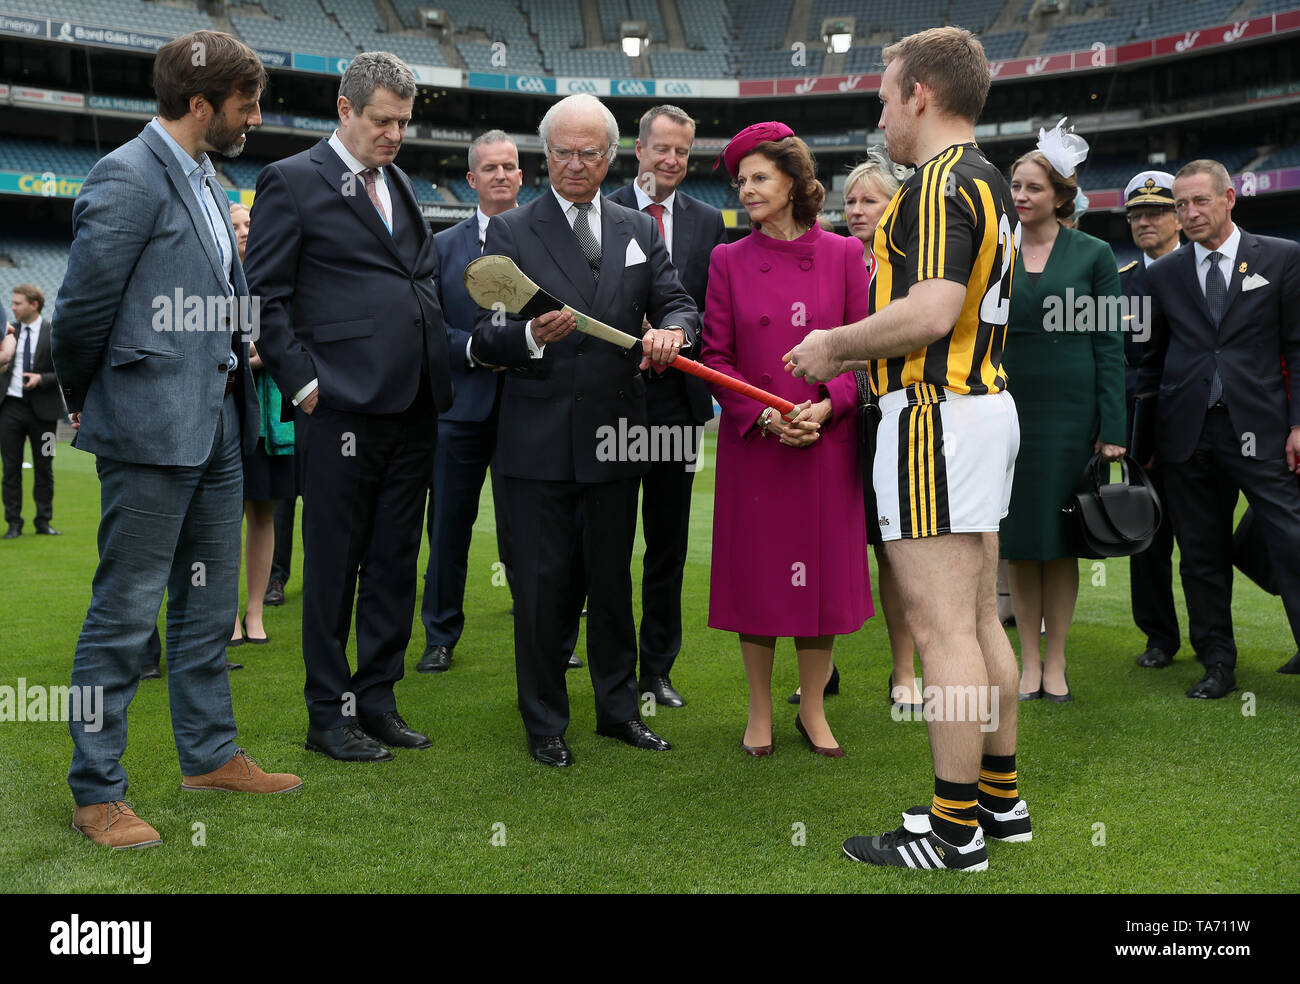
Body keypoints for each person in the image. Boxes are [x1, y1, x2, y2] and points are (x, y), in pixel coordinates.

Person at [52, 30, 301, 850]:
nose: (254, 118)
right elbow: (79, 315)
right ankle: (96, 793)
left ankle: (209, 756)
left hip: (217, 424)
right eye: (244, 105)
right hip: (151, 430)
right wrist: (93, 402)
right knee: (124, 614)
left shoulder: (203, 175)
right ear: (200, 105)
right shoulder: (125, 175)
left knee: (205, 608)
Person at [786, 26, 1027, 871]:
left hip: (933, 413)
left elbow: (928, 311)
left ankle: (954, 830)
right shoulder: (990, 179)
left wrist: (835, 345)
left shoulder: (933, 184)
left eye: (886, 95)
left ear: (921, 92)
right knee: (973, 617)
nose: (880, 112)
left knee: (939, 628)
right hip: (980, 406)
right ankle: (997, 800)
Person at [471, 93, 698, 768]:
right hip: (536, 443)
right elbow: (485, 335)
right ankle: (544, 722)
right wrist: (529, 338)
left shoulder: (638, 228)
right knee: (542, 591)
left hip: (618, 438)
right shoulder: (511, 230)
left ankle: (618, 711)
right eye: (563, 153)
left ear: (610, 156)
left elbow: (677, 299)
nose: (576, 164)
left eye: (589, 152)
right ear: (546, 157)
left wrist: (674, 330)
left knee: (611, 583)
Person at [245, 51, 454, 760]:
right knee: (333, 568)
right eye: (382, 120)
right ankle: (328, 718)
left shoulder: (400, 182)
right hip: (338, 412)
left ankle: (379, 700)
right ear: (345, 110)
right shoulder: (292, 181)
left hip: (415, 406)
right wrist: (304, 386)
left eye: (403, 122)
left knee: (395, 564)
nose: (394, 134)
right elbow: (263, 298)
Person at [704, 121, 871, 758]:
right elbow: (716, 358)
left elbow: (864, 356)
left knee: (820, 581)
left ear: (795, 183)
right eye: (741, 180)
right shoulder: (727, 260)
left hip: (825, 446)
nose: (746, 189)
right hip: (757, 447)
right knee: (758, 582)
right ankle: (758, 710)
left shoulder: (844, 255)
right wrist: (766, 416)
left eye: (759, 178)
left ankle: (812, 709)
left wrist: (827, 409)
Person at [1137, 159, 1300, 694]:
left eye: (1200, 201)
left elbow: (1297, 350)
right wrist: (1146, 441)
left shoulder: (1281, 257)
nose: (1189, 213)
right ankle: (1217, 664)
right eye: (1181, 205)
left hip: (1264, 431)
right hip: (1187, 434)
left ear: (1230, 198)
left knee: (1291, 540)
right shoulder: (1162, 274)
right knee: (1201, 555)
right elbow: (1151, 362)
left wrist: (1299, 424)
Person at [607, 104, 726, 708]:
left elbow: (710, 306)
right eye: (662, 149)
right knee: (605, 538)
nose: (672, 161)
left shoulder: (708, 221)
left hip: (677, 402)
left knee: (668, 542)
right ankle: (613, 666)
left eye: (682, 151)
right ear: (639, 148)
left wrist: (679, 332)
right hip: (613, 397)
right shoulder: (600, 212)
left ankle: (657, 668)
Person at [1000, 136, 1125, 703]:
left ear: (1060, 195)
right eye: (1016, 186)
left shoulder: (1095, 255)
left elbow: (1109, 344)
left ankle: (1057, 663)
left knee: (1063, 538)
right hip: (1005, 410)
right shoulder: (995, 252)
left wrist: (1114, 429)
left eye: (1033, 188)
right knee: (1022, 540)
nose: (1021, 196)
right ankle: (1027, 663)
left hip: (1072, 413)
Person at [417, 129, 520, 675]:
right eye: (490, 168)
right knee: (449, 527)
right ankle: (440, 635)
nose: (501, 175)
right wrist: (479, 350)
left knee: (529, 528)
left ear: (522, 176)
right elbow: (430, 328)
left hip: (528, 408)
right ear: (471, 179)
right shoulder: (441, 247)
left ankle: (544, 628)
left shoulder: (547, 238)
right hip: (459, 409)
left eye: (509, 166)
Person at [830, 151, 923, 714]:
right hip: (839, 416)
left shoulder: (914, 266)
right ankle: (822, 668)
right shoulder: (833, 260)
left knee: (893, 551)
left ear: (896, 205)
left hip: (892, 416)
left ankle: (904, 671)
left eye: (871, 200)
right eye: (851, 202)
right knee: (827, 544)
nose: (858, 211)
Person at [1119, 170, 1184, 670]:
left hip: (1204, 427)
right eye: (1137, 214)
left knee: (1206, 544)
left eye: (1155, 212)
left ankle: (1214, 641)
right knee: (1147, 540)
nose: (1145, 221)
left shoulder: (1203, 272)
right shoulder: (1120, 286)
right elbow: (1114, 363)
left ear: (1178, 215)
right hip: (1141, 430)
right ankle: (1159, 637)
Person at [227, 201, 295, 649]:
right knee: (222, 517)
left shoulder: (275, 277)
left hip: (271, 417)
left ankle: (254, 612)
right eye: (236, 225)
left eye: (251, 222)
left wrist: (265, 353)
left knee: (263, 511)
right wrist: (248, 356)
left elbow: (291, 335)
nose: (246, 231)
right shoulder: (217, 279)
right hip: (227, 408)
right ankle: (225, 615)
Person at [2, 284, 64, 537]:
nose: (13, 307)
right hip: (10, 410)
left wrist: (41, 379)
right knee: (10, 469)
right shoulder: (7, 332)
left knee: (44, 468)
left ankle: (43, 521)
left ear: (34, 304)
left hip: (45, 414)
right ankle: (13, 523)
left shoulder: (54, 333)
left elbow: (64, 371)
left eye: (18, 303)